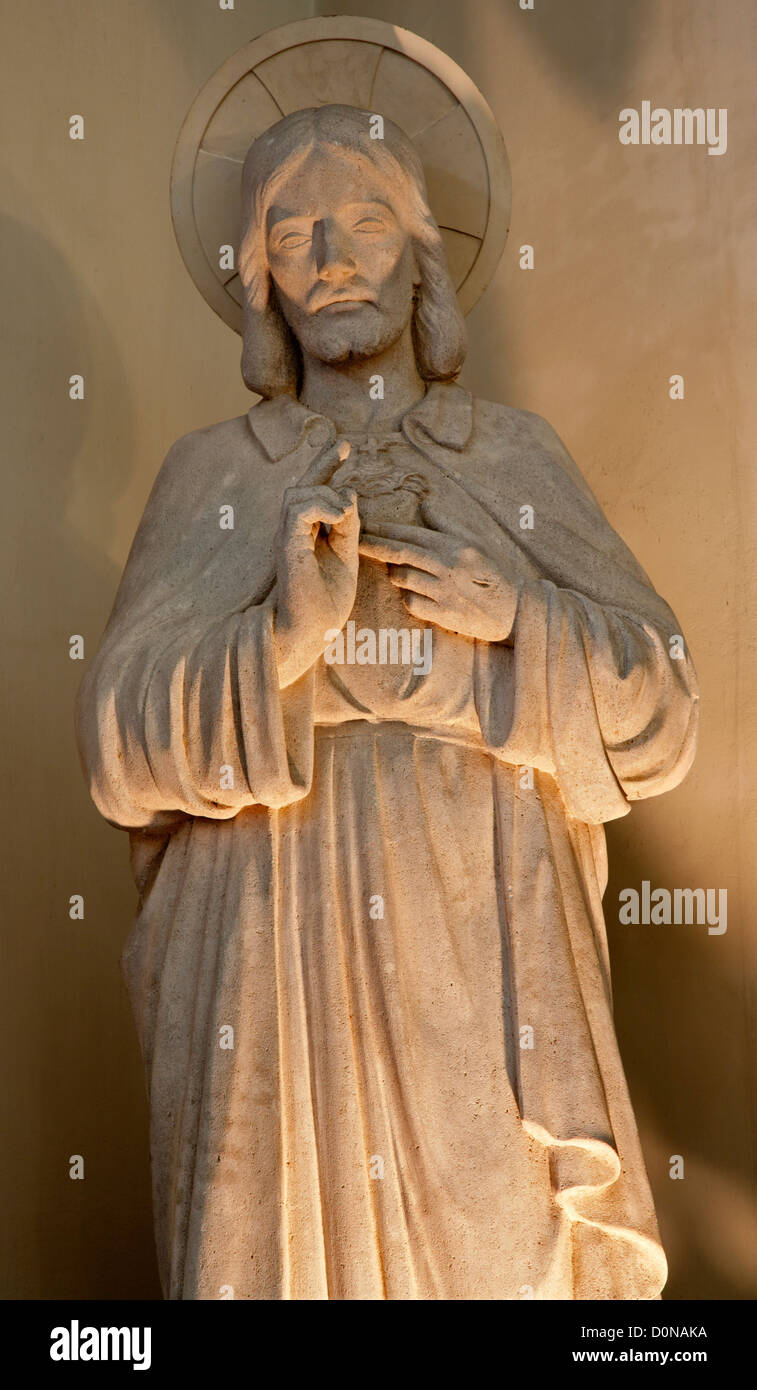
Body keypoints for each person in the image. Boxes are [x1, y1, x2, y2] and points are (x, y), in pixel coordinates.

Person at [76, 106, 698, 1299]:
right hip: (271, 941)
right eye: (291, 234)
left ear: (420, 255)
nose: (330, 256)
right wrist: (281, 640)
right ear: (261, 283)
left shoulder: (509, 458)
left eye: (364, 220)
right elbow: (118, 747)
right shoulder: (217, 475)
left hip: (484, 945)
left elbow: (661, 708)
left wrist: (518, 615)